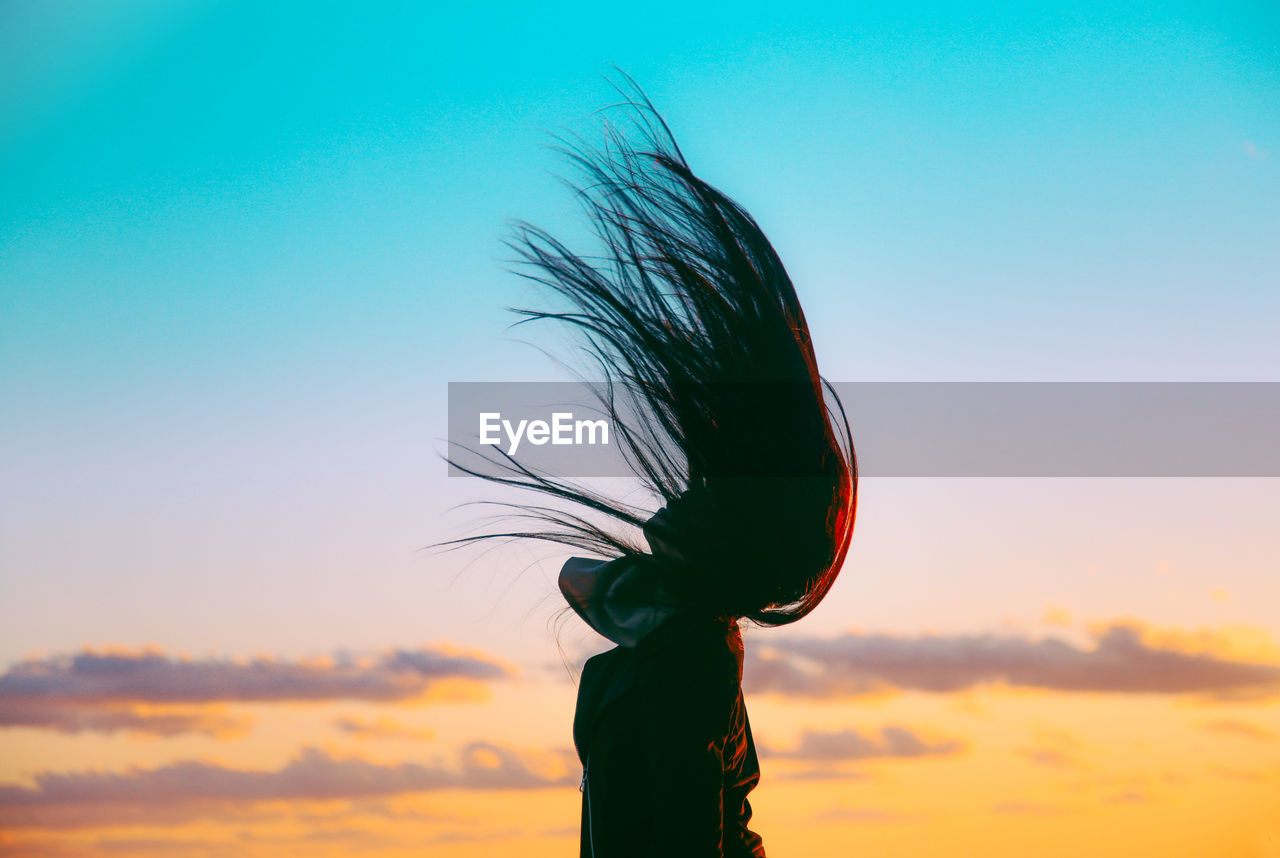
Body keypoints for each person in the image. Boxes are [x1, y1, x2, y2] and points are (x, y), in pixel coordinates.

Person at [450, 76, 857, 857]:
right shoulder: (668, 633)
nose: (673, 500)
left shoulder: (689, 652)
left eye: (706, 497)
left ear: (727, 540)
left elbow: (691, 831)